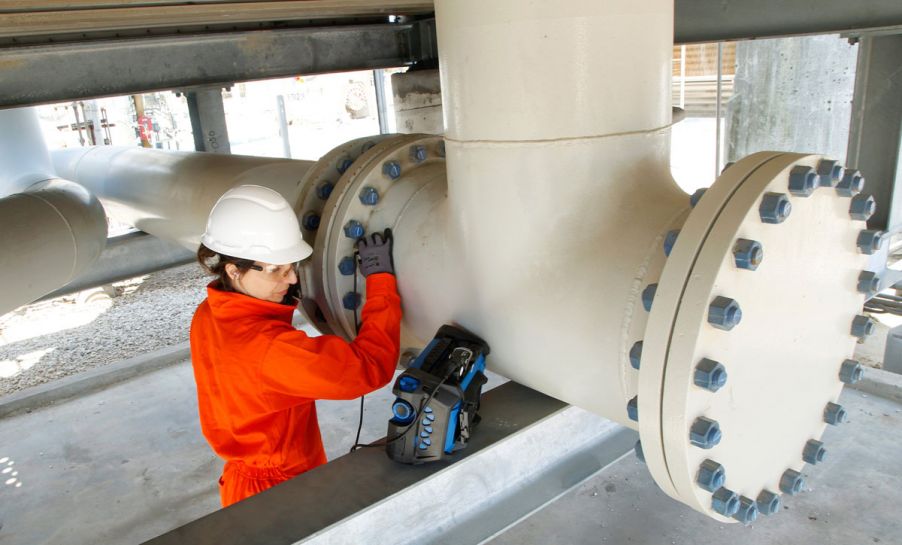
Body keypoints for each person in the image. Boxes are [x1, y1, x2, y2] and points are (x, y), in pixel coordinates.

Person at [189, 184, 401, 508]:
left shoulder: (209, 312)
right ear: (234, 270)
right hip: (281, 495)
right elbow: (368, 367)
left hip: (244, 485)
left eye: (291, 267)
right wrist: (381, 281)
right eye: (276, 269)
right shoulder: (269, 350)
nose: (290, 280)